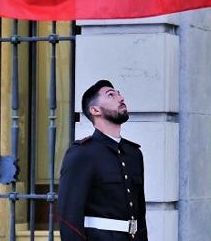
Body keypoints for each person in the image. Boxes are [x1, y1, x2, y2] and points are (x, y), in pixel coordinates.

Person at [58, 80, 148, 240]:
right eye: (111, 95)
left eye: (118, 93)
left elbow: (140, 214)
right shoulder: (82, 154)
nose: (121, 98)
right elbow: (69, 218)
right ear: (95, 110)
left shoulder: (134, 154)